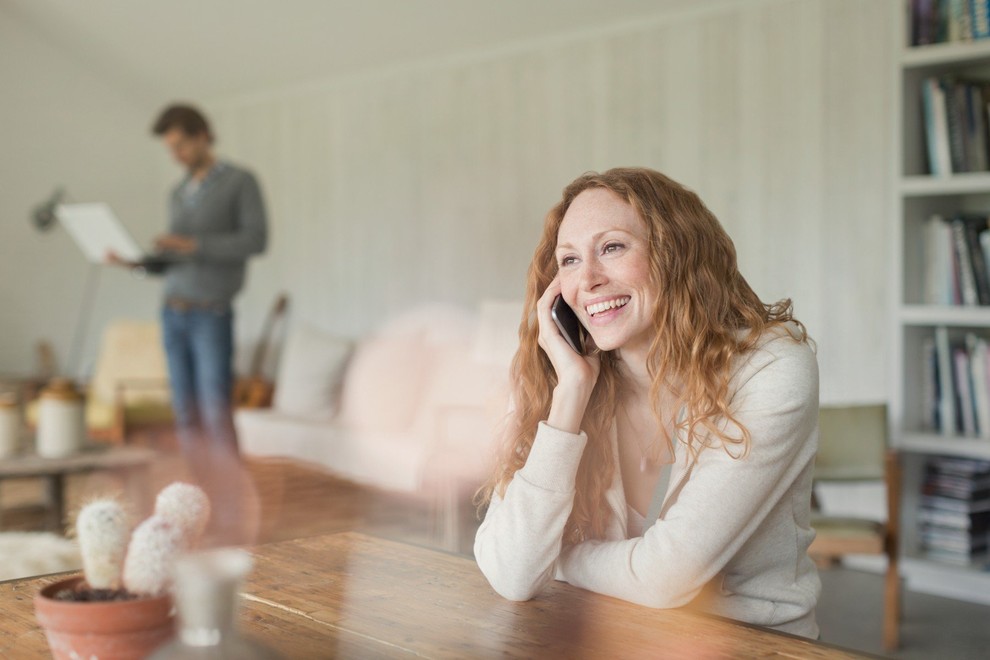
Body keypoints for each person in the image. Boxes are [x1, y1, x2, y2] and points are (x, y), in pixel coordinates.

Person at [474, 167, 821, 638]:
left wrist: (556, 557)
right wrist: (571, 394)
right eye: (569, 260)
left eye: (612, 248)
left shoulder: (770, 368)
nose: (589, 279)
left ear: (675, 253)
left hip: (752, 645)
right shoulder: (562, 378)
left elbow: (666, 579)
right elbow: (512, 573)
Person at [107, 104, 267, 541]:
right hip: (172, 311)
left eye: (179, 144)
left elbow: (256, 239)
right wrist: (135, 263)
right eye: (169, 147)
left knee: (215, 413)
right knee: (185, 416)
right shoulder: (178, 192)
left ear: (201, 137)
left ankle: (234, 511)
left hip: (210, 314)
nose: (175, 154)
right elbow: (173, 259)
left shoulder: (239, 181)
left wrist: (192, 242)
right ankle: (205, 507)